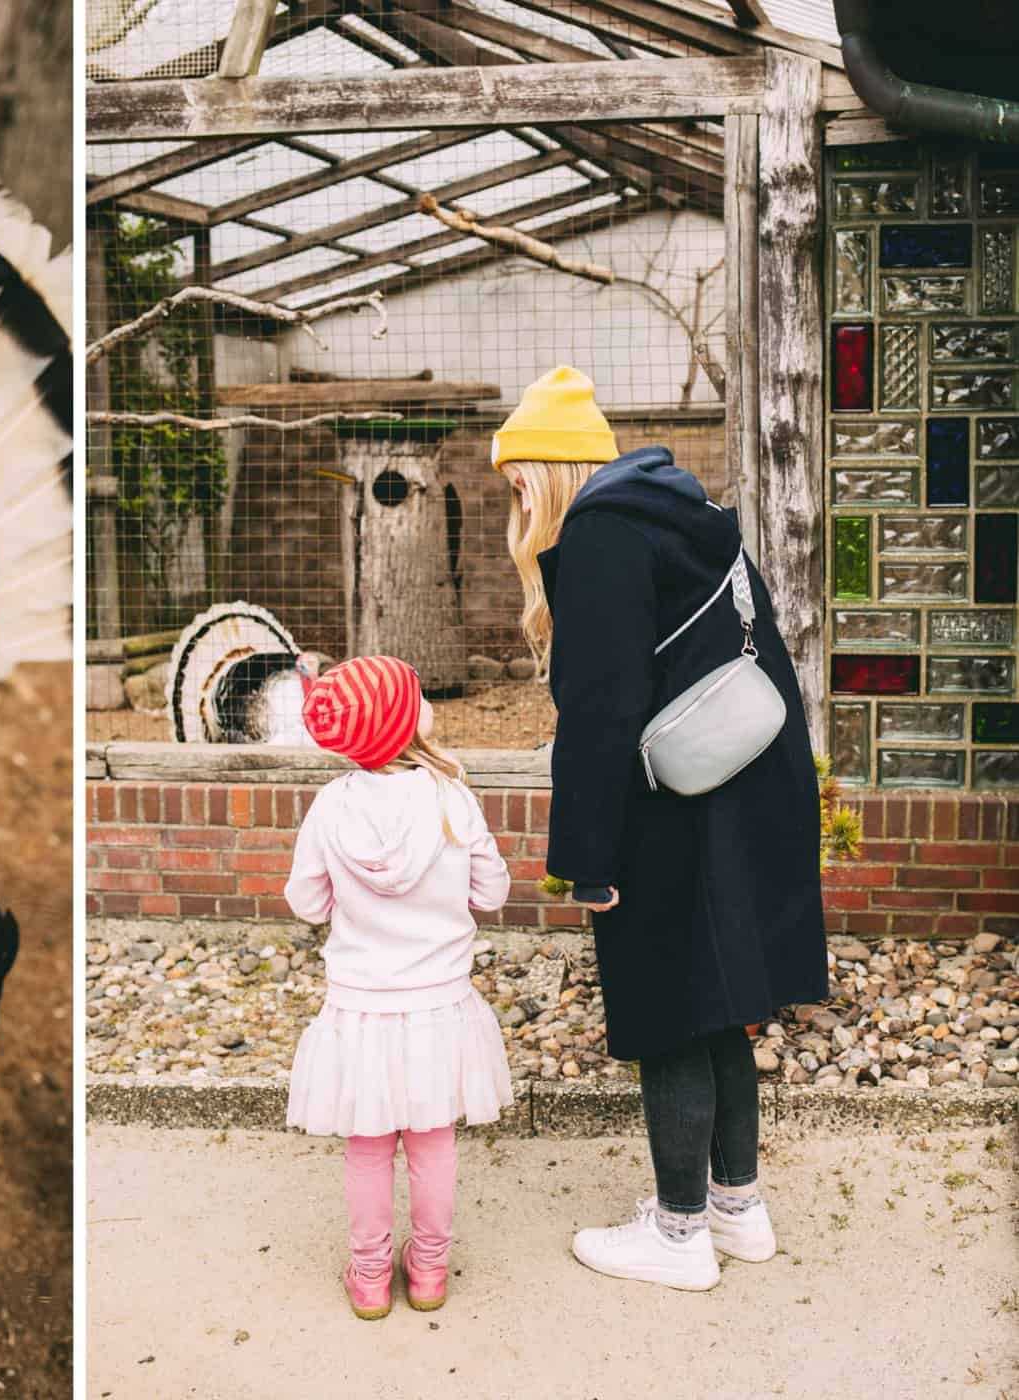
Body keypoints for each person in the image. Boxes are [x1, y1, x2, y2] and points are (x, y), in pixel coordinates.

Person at [494, 366, 828, 1291]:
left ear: (540, 472)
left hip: (670, 813)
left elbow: (601, 713)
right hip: (744, 795)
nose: (512, 501)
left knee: (670, 1014)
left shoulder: (600, 536)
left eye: (513, 480)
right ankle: (737, 1207)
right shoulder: (692, 521)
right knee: (722, 1009)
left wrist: (584, 860)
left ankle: (678, 1237)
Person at [283, 654, 514, 1319]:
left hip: (359, 1006)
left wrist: (349, 897)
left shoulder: (331, 806)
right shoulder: (451, 799)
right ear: (400, 722)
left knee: (367, 1148)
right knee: (432, 1142)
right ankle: (429, 1272)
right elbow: (491, 892)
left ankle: (366, 1278)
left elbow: (304, 901)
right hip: (438, 1004)